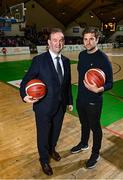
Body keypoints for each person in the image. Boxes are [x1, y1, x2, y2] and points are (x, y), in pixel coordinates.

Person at [20, 28, 73, 176]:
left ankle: (52, 150)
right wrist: (24, 95)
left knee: (55, 132)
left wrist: (69, 101)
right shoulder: (39, 60)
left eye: (61, 40)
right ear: (49, 42)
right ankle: (44, 159)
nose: (58, 43)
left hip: (61, 106)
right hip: (43, 107)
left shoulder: (66, 61)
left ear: (63, 43)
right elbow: (25, 81)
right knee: (43, 135)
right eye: (55, 40)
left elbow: (67, 84)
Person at [70, 26, 113, 169]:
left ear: (97, 40)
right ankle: (83, 144)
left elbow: (110, 83)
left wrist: (99, 88)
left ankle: (95, 153)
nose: (87, 42)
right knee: (84, 124)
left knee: (95, 127)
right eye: (85, 39)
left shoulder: (103, 58)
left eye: (91, 39)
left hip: (94, 100)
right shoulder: (82, 55)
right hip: (80, 98)